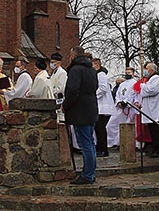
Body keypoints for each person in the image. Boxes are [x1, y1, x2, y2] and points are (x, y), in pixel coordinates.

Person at [63, 46, 98, 185]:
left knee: (85, 144)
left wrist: (66, 105)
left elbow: (72, 90)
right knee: (90, 142)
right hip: (90, 107)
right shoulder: (91, 69)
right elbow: (94, 87)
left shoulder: (76, 69)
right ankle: (91, 172)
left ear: (73, 56)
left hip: (80, 110)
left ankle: (88, 174)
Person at [138, 62, 159, 158]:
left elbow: (151, 90)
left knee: (156, 131)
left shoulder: (156, 79)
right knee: (152, 131)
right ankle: (154, 148)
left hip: (154, 108)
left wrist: (143, 86)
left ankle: (158, 150)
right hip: (150, 108)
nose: (145, 71)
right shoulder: (150, 79)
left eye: (146, 68)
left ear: (152, 70)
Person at [106, 67, 137, 148]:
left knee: (127, 125)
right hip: (119, 108)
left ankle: (124, 143)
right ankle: (113, 142)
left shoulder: (135, 83)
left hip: (128, 108)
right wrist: (119, 102)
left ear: (133, 73)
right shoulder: (122, 84)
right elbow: (118, 94)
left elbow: (133, 95)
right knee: (111, 125)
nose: (127, 74)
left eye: (129, 72)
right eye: (126, 72)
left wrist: (125, 102)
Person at [92, 58, 114, 157]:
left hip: (103, 107)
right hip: (99, 107)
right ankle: (100, 148)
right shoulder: (97, 75)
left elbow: (103, 88)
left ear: (97, 65)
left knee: (100, 128)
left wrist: (93, 95)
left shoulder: (101, 75)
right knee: (98, 128)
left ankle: (103, 149)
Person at [49, 52, 68, 121]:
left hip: (59, 99)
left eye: (53, 62)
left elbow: (61, 89)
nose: (51, 64)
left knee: (60, 119)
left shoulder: (62, 73)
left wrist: (52, 92)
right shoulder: (54, 72)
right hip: (53, 99)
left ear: (58, 62)